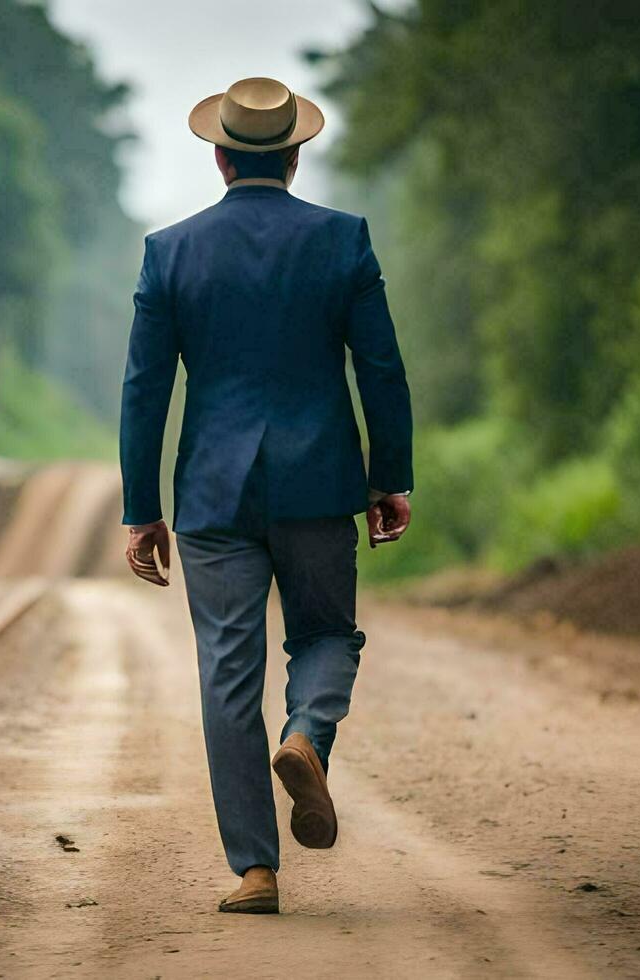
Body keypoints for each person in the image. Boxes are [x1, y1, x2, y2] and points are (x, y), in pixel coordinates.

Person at [118, 77, 414, 914]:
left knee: (225, 674)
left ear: (219, 156)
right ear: (294, 154)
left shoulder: (170, 252)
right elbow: (381, 369)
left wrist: (142, 508)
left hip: (213, 495)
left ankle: (255, 869)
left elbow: (145, 389)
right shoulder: (342, 241)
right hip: (320, 480)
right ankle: (305, 737)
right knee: (325, 634)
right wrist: (389, 476)